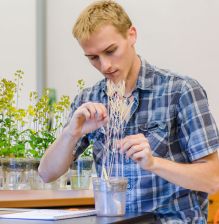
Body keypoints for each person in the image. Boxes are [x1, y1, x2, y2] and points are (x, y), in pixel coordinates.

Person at [38, 1, 219, 223]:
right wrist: (71, 133)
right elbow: (46, 174)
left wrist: (154, 163)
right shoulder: (88, 99)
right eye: (93, 58)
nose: (105, 66)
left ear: (131, 35)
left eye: (110, 51)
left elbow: (213, 179)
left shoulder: (180, 90)